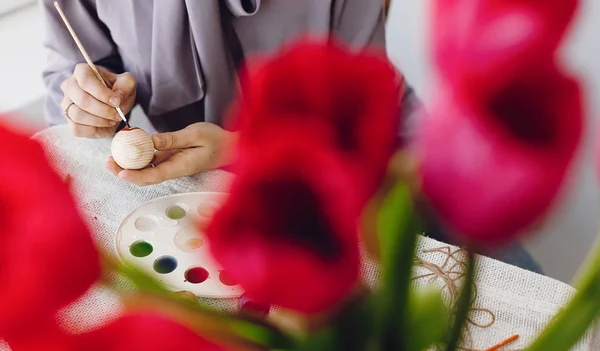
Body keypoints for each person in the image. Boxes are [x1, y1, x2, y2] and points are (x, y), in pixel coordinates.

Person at [41, 0, 542, 274]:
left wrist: (247, 150)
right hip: (187, 197)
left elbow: (364, 114)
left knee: (529, 302)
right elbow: (72, 65)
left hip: (373, 166)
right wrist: (87, 98)